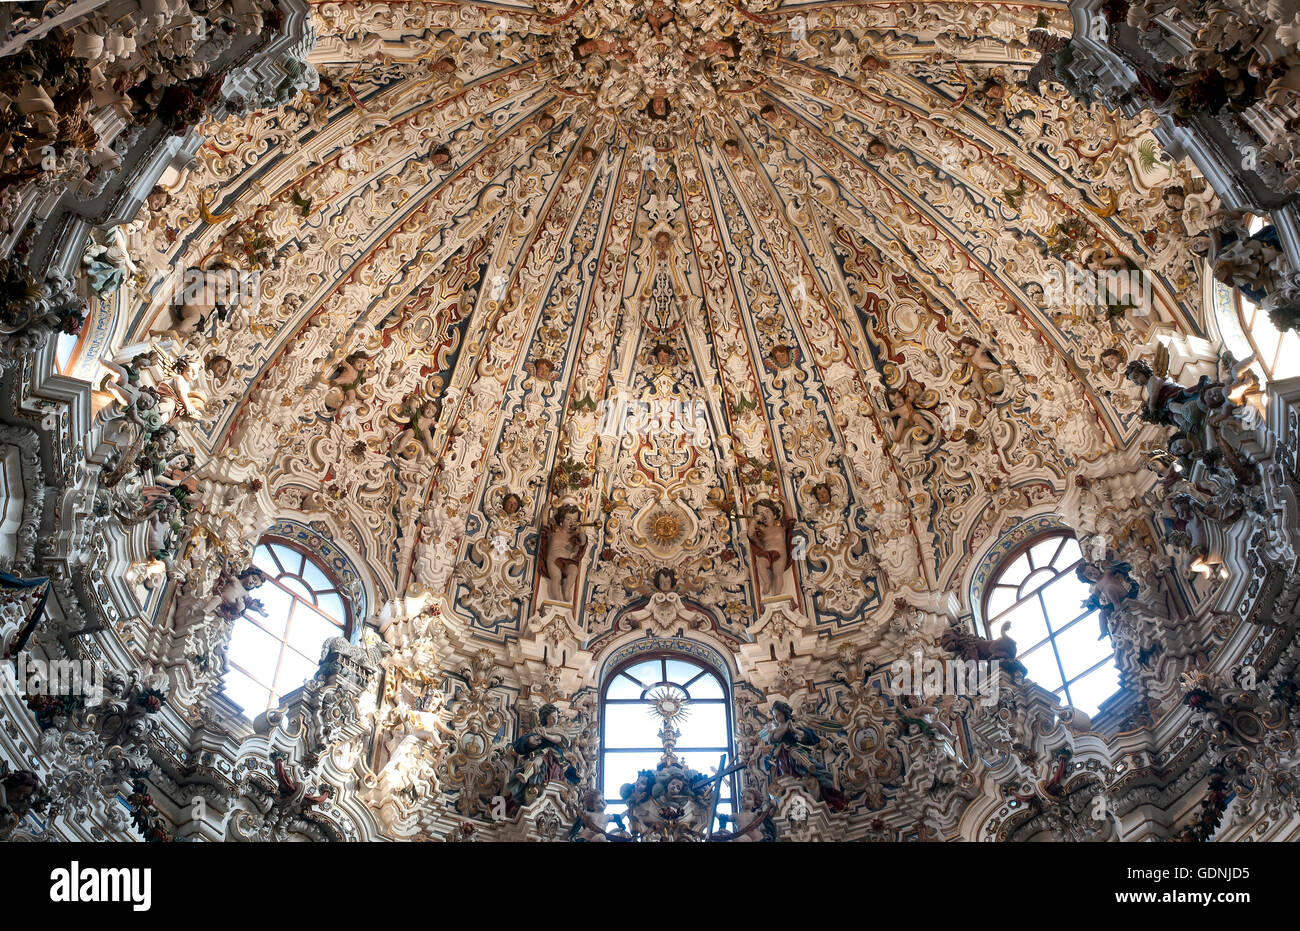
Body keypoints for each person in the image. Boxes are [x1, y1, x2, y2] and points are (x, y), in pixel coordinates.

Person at [759, 701, 848, 811]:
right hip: (782, 755)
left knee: (797, 755)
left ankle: (808, 766)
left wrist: (795, 730)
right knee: (786, 765)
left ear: (784, 713)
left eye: (779, 715)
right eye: (775, 716)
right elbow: (774, 737)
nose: (777, 718)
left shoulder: (795, 724)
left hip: (795, 750)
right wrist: (787, 726)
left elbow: (811, 737)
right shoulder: (775, 729)